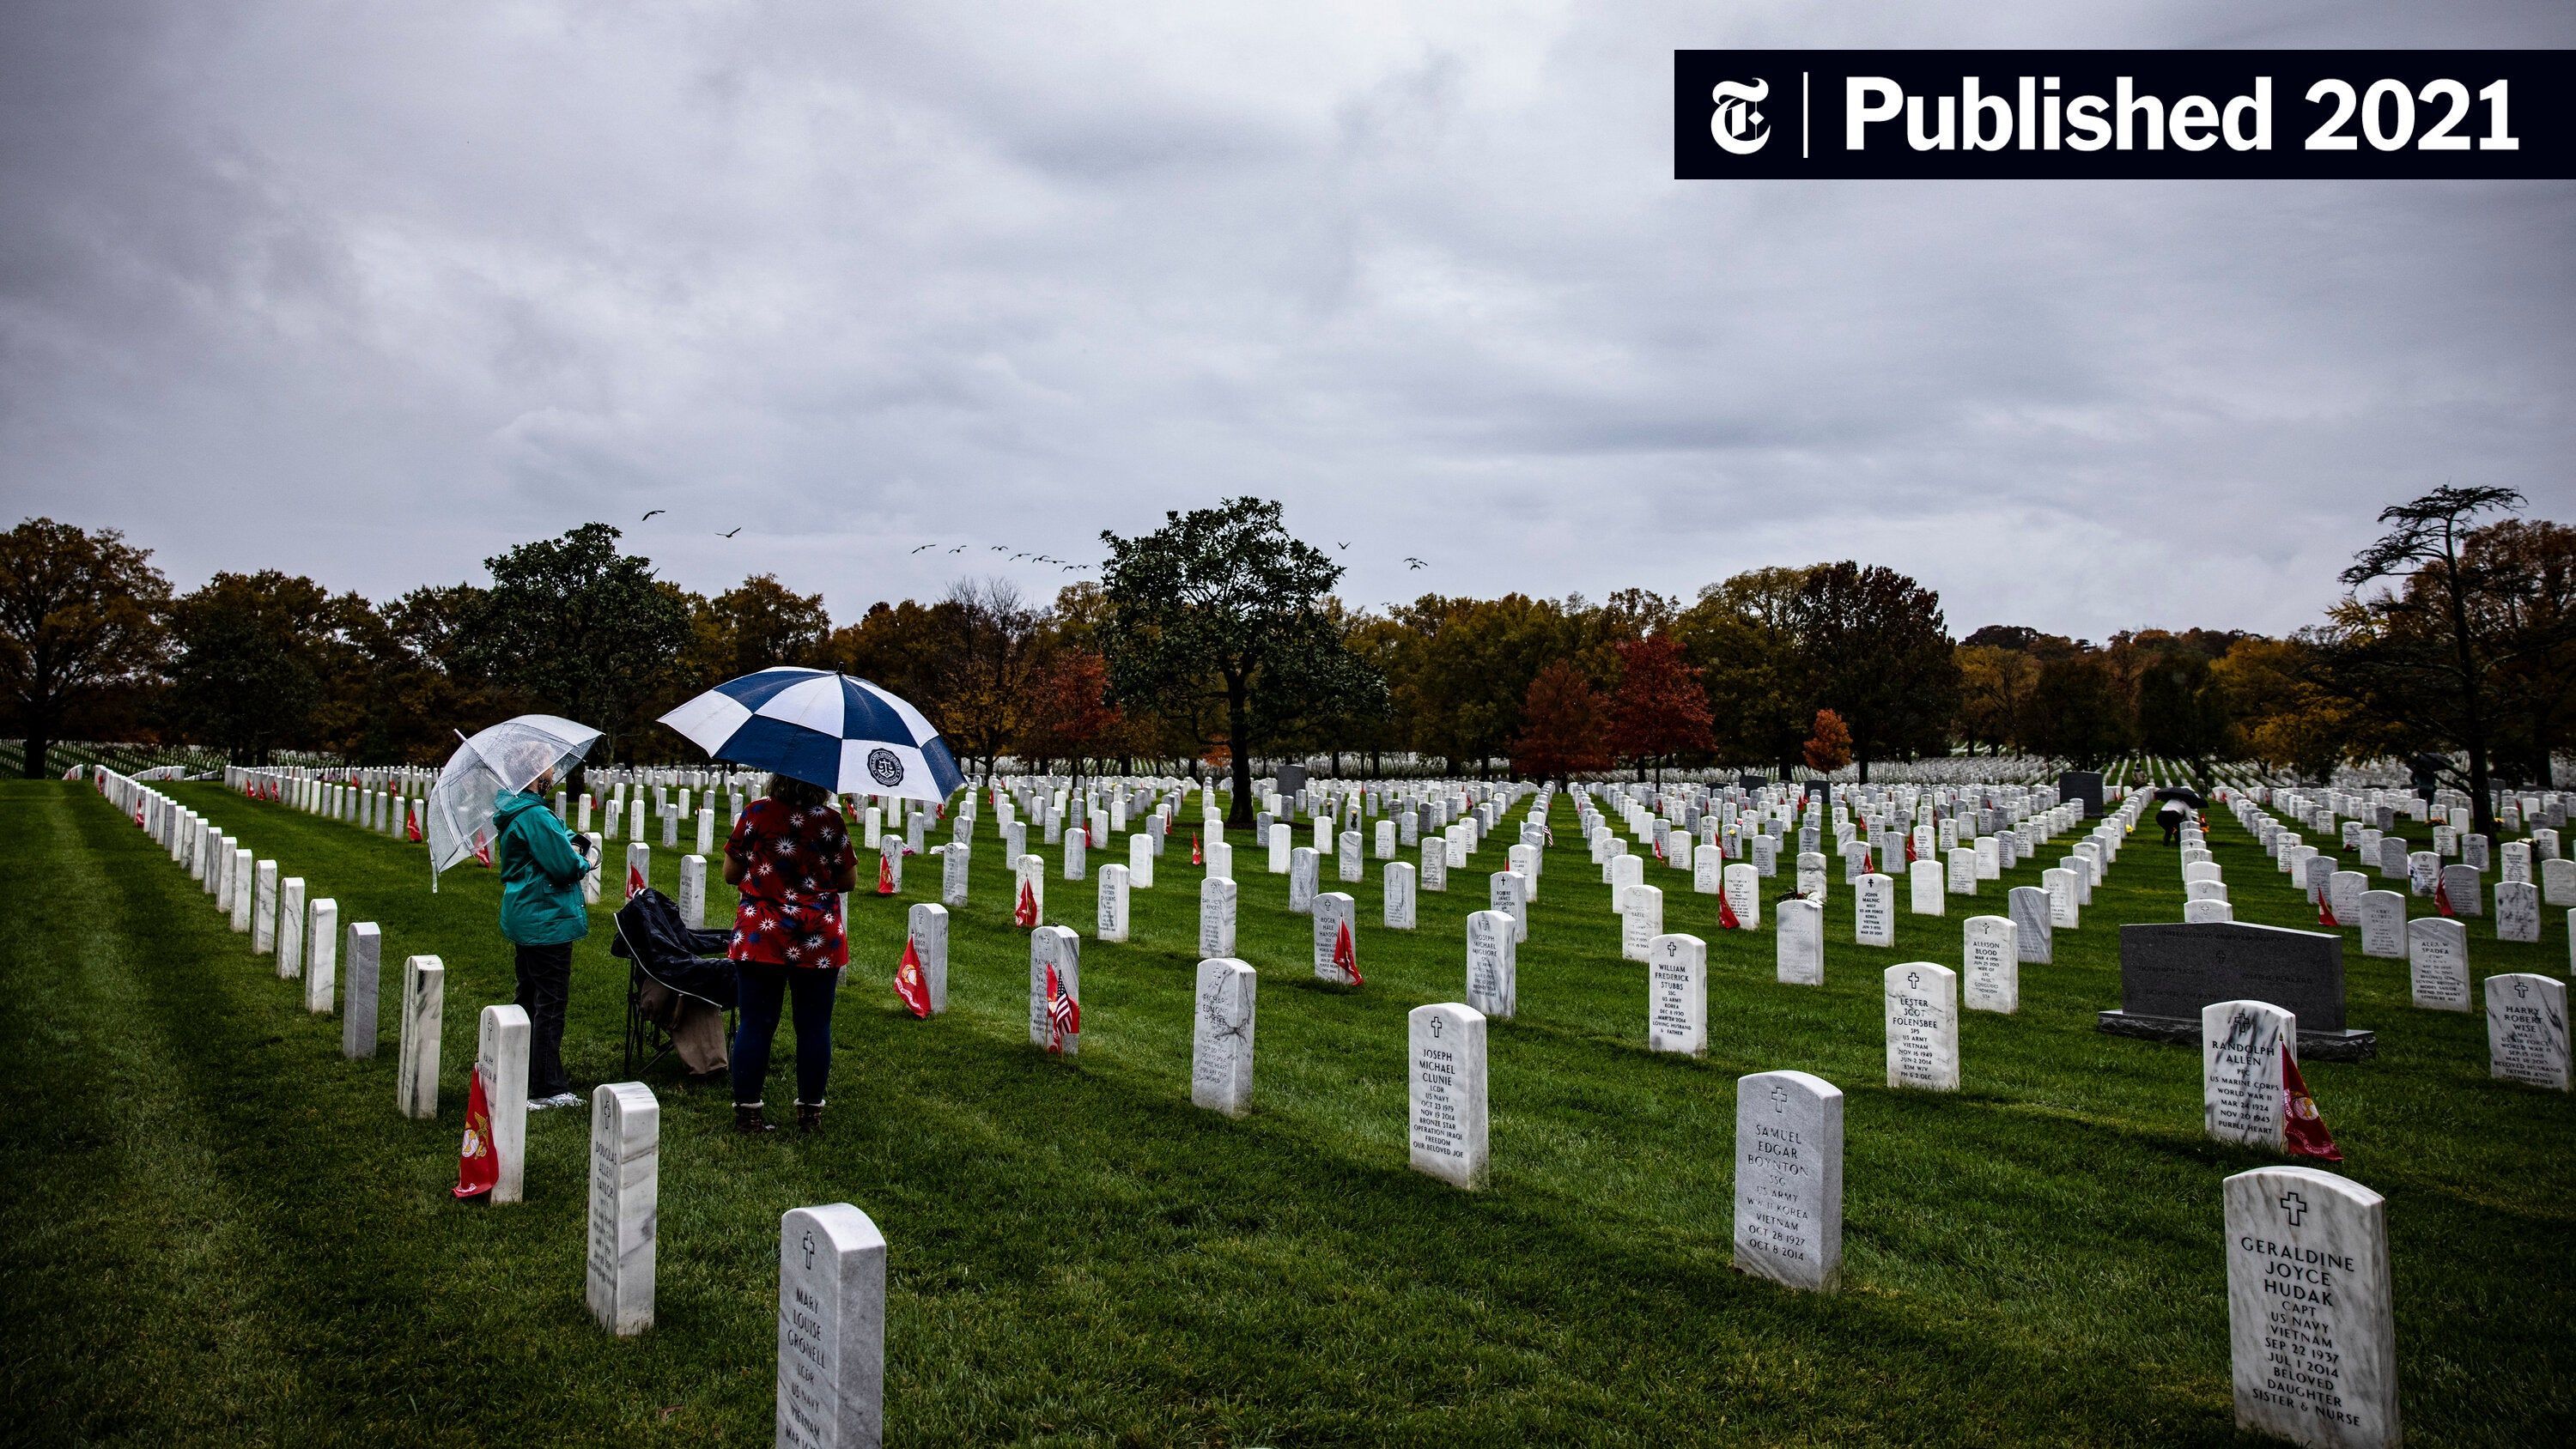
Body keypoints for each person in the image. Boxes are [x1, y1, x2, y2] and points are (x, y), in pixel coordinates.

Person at [724, 773, 858, 1134]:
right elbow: (847, 880)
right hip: (817, 936)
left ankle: (748, 1114)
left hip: (761, 933)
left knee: (755, 1023)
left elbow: (729, 873)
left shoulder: (755, 814)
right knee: (814, 1026)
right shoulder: (830, 820)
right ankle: (810, 1114)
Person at [493, 759, 594, 1111]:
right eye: (549, 768)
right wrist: (584, 861)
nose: (554, 774)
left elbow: (550, 842)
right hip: (545, 919)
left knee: (530, 995)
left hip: (528, 916)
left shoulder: (522, 812)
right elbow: (564, 866)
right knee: (549, 1004)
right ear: (534, 775)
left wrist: (564, 838)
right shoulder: (534, 816)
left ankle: (519, 1068)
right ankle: (547, 1087)